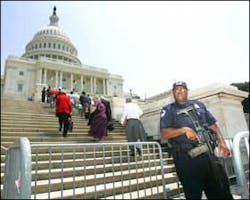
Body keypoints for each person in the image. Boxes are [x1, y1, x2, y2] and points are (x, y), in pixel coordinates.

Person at [160, 81, 233, 199]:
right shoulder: (168, 109)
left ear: (187, 91)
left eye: (182, 88)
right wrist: (184, 130)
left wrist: (222, 142)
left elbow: (213, 125)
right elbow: (164, 132)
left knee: (222, 191)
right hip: (187, 159)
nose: (179, 91)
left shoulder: (199, 105)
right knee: (193, 194)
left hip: (209, 155)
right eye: (176, 89)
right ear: (173, 93)